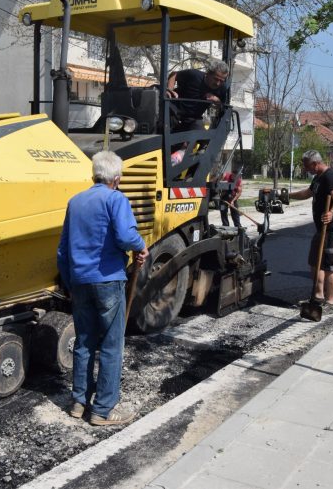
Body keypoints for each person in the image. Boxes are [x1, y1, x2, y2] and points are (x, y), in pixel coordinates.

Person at [57, 150, 149, 426]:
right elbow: (125, 236)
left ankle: (78, 402)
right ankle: (103, 410)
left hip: (80, 281)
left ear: (93, 175)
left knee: (84, 342)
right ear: (116, 178)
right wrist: (141, 246)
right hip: (108, 280)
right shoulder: (116, 199)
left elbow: (62, 251)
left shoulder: (75, 202)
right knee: (111, 345)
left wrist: (70, 282)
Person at [287, 150, 333, 310]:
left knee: (329, 267)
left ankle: (330, 302)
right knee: (315, 263)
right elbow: (307, 193)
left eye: (307, 166)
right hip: (321, 229)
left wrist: (332, 213)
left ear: (315, 163)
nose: (306, 169)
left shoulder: (330, 177)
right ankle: (318, 297)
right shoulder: (318, 178)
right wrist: (288, 196)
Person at [166, 59, 229, 131]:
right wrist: (169, 90)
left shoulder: (222, 88)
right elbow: (174, 75)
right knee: (167, 120)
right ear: (208, 73)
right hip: (174, 111)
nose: (218, 83)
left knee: (204, 129)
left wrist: (217, 101)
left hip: (193, 119)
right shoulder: (194, 75)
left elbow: (220, 109)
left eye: (221, 81)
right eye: (216, 79)